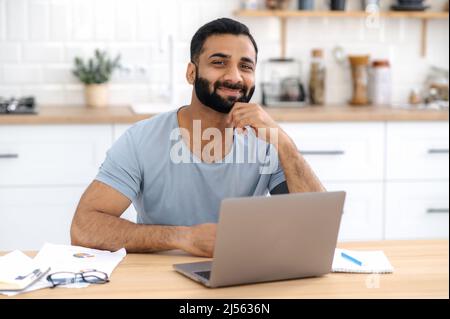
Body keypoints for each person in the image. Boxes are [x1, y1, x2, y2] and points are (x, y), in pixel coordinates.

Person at [70, 18, 325, 258]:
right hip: (159, 276)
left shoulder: (267, 141)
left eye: (245, 66)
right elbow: (84, 228)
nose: (235, 76)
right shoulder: (141, 140)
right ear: (191, 73)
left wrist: (283, 141)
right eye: (219, 62)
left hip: (242, 275)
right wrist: (185, 238)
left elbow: (316, 228)